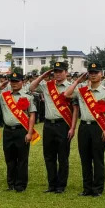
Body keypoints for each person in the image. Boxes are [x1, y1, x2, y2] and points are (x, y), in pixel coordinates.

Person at [63, 61, 105, 197]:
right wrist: (78, 80)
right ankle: (87, 188)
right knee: (85, 159)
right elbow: (67, 94)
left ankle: (97, 188)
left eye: (95, 72)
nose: (93, 75)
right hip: (84, 127)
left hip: (98, 127)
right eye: (90, 73)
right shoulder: (82, 91)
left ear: (101, 74)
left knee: (97, 158)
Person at [28, 61, 74, 193]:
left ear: (66, 72)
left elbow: (75, 108)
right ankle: (52, 184)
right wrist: (43, 75)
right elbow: (31, 88)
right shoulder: (47, 86)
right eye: (55, 71)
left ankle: (61, 186)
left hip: (63, 124)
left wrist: (72, 127)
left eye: (60, 71)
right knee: (49, 156)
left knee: (63, 157)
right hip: (48, 125)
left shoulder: (71, 87)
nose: (58, 74)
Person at [0, 68, 38, 192]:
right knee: (9, 158)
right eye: (12, 81)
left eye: (16, 81)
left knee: (22, 159)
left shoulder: (27, 97)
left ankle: (20, 185)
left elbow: (32, 115)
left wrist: (29, 132)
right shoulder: (4, 96)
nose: (14, 83)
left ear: (22, 81)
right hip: (8, 131)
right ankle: (11, 183)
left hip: (21, 130)